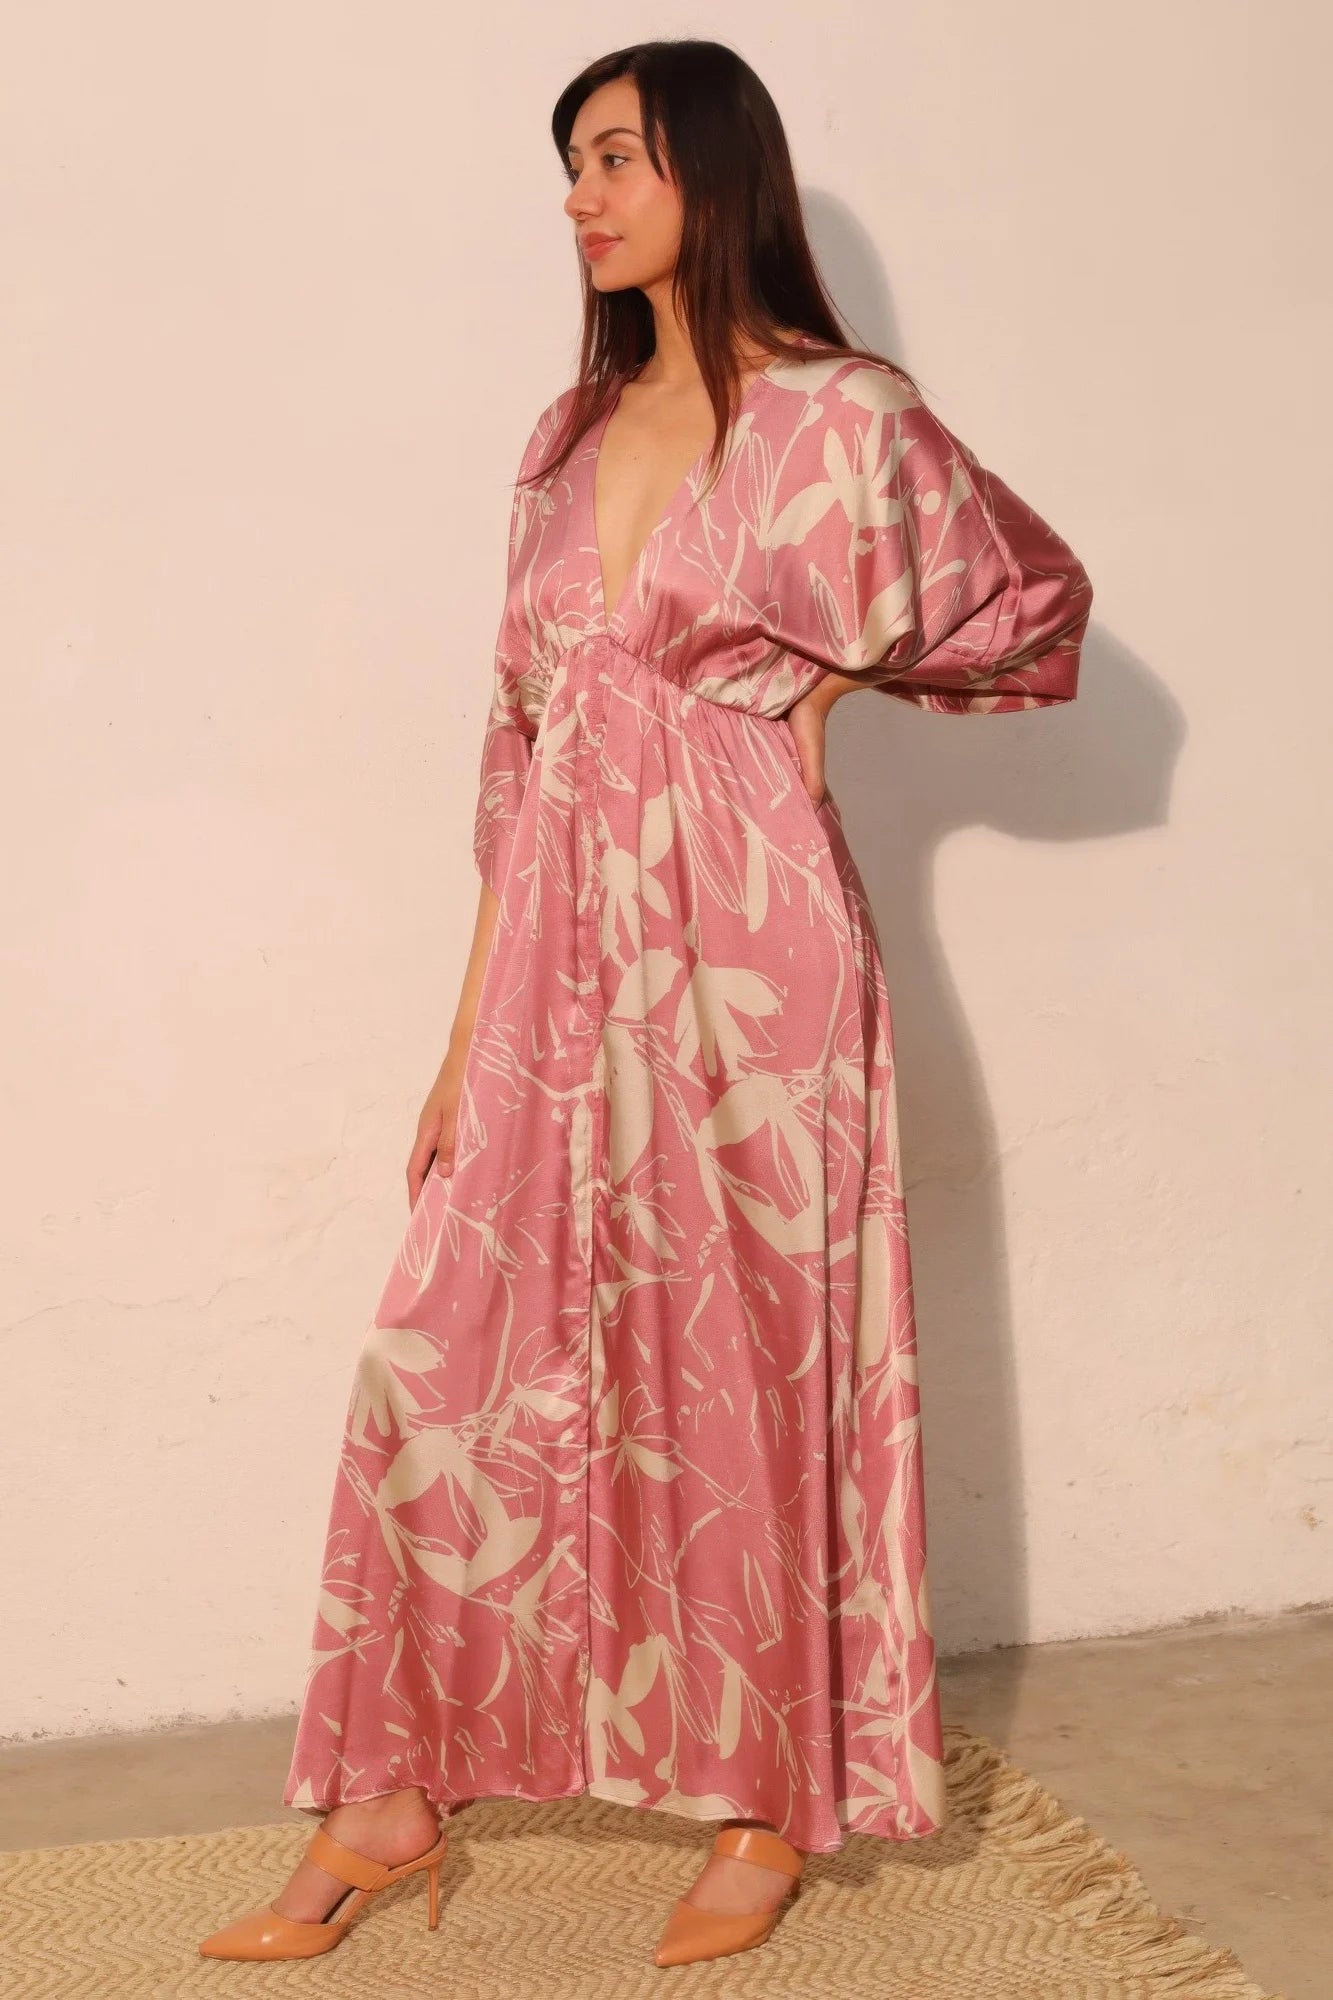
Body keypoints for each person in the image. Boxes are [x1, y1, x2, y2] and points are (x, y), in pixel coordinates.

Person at [198, 36, 1092, 1971]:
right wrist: (463, 1044)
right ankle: (388, 1797)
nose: (581, 196)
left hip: (756, 960)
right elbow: (515, 755)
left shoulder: (844, 415)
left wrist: (828, 687)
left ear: (711, 164)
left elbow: (1032, 606)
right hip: (552, 962)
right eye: (572, 164)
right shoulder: (563, 436)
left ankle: (765, 1807)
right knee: (438, 1366)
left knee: (748, 1365)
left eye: (615, 157)